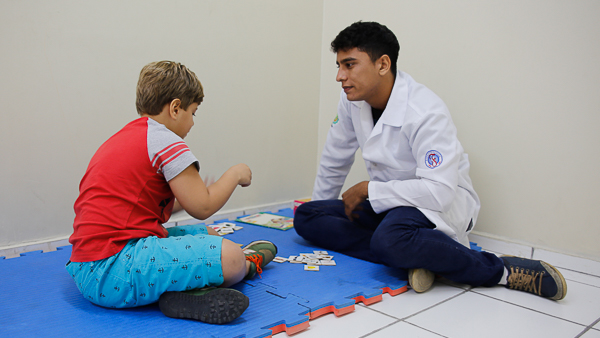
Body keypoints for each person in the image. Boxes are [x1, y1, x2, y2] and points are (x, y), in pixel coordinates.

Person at [294, 21, 567, 300]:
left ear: (383, 64)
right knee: (306, 217)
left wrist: (369, 190)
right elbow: (334, 157)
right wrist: (320, 206)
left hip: (437, 204)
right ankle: (420, 257)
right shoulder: (351, 99)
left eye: (349, 65)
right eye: (338, 66)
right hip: (392, 204)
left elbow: (439, 192)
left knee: (389, 238)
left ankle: (501, 270)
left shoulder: (425, 111)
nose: (340, 76)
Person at [66, 61, 278, 324]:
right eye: (193, 112)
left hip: (89, 265)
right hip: (112, 270)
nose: (192, 122)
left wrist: (189, 195)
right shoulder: (165, 141)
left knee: (208, 234)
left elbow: (143, 203)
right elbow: (202, 207)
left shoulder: (125, 137)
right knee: (231, 258)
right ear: (176, 108)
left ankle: (183, 288)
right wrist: (234, 174)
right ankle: (246, 263)